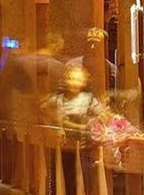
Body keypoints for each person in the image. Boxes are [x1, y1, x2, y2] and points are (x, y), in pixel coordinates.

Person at [42, 65, 109, 194]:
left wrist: (99, 121)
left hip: (84, 147)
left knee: (83, 179)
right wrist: (55, 123)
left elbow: (101, 114)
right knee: (62, 177)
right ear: (66, 80)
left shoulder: (88, 99)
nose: (74, 83)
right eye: (72, 79)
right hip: (63, 147)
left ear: (84, 81)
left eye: (78, 79)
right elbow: (44, 109)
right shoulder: (57, 99)